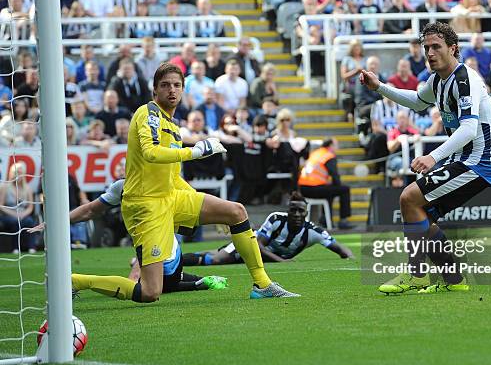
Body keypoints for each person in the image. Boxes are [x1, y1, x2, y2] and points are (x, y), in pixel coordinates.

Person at [73, 62, 298, 303]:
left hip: (171, 197)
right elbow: (151, 152)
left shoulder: (173, 124)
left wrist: (205, 203)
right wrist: (194, 152)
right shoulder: (147, 113)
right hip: (146, 206)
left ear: (182, 90)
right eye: (165, 85)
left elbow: (172, 177)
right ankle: (76, 281)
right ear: (154, 91)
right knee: (150, 292)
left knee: (235, 211)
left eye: (177, 85)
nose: (172, 90)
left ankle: (262, 284)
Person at [358, 22, 491, 294]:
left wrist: (433, 157)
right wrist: (380, 87)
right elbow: (416, 101)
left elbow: (469, 129)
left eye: (436, 47)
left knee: (409, 198)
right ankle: (454, 281)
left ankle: (417, 275)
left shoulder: (463, 79)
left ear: (453, 49)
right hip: (464, 158)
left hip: (476, 161)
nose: (430, 53)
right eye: (426, 48)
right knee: (419, 214)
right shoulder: (437, 80)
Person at [30, 179, 228, 299]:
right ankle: (76, 281)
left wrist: (214, 216)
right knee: (146, 289)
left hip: (168, 261)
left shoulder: (166, 183)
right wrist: (56, 222)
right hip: (155, 249)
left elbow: (191, 221)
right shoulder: (123, 186)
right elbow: (90, 209)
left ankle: (76, 281)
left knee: (152, 284)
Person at [188, 192, 354, 265]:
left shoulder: (313, 232)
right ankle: (177, 262)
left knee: (215, 254)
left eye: (300, 211)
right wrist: (281, 261)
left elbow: (340, 249)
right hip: (249, 242)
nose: (296, 214)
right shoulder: (276, 219)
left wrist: (350, 257)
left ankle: (180, 259)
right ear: (287, 211)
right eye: (292, 210)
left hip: (261, 256)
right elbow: (258, 246)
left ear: (306, 213)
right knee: (217, 259)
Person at [298, 138, 354, 230]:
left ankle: (325, 219)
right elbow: (335, 175)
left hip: (303, 188)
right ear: (331, 146)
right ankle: (343, 221)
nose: (337, 148)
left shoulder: (316, 153)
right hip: (313, 188)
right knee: (344, 190)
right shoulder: (328, 156)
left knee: (330, 191)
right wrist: (338, 185)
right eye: (336, 145)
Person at [0, 162, 37, 254]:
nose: (18, 175)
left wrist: (23, 215)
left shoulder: (28, 188)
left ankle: (31, 247)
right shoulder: (4, 187)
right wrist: (14, 214)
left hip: (23, 215)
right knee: (14, 222)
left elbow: (30, 207)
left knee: (29, 221)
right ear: (11, 173)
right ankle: (15, 248)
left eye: (20, 172)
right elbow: (1, 206)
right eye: (16, 172)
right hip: (8, 215)